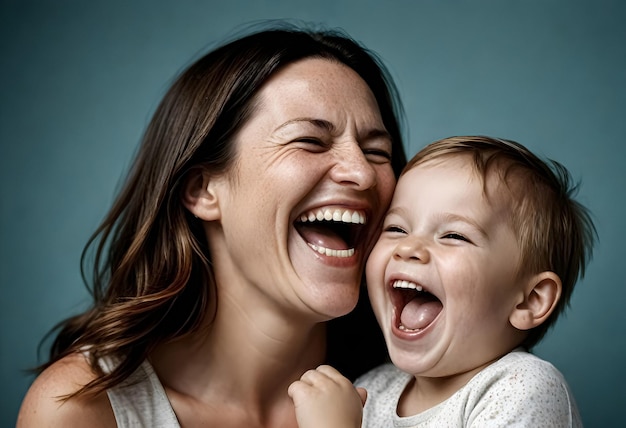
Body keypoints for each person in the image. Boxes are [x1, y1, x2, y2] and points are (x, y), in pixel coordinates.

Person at [17, 21, 407, 427]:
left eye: (377, 151)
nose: (361, 173)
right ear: (203, 190)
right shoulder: (82, 410)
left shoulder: (428, 396)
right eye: (309, 141)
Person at [288, 135, 596, 428]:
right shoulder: (372, 390)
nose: (408, 248)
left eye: (453, 235)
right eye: (395, 228)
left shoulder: (522, 385)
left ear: (531, 299)